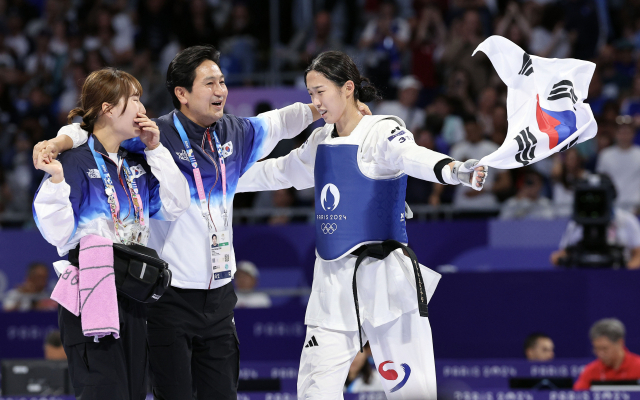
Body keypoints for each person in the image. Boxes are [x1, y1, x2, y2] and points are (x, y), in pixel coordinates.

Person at [33, 45, 370, 400]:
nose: (221, 90)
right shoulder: (150, 133)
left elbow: (281, 121)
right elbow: (93, 131)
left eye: (222, 82)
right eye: (209, 83)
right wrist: (59, 140)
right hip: (165, 296)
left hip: (219, 297)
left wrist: (332, 107)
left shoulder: (232, 132)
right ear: (182, 93)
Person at [237, 51, 487, 399]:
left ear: (348, 88)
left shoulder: (383, 130)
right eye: (310, 93)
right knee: (314, 392)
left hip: (386, 280)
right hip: (331, 284)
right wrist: (223, 178)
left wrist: (453, 170)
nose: (315, 102)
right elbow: (279, 170)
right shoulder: (320, 139)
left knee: (413, 394)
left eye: (320, 91)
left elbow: (411, 156)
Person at [33, 68, 190, 400]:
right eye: (133, 99)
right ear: (107, 108)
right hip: (92, 292)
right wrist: (58, 182)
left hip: (134, 293)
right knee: (105, 393)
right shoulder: (73, 161)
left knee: (133, 394)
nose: (142, 108)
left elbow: (176, 204)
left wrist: (156, 149)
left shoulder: (136, 163)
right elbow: (56, 234)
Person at [574, 318, 640, 390]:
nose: (600, 354)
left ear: (620, 343)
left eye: (604, 349)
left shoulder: (638, 367)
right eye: (596, 349)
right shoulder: (590, 371)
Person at [596, 122, 640, 212]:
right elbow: (601, 181)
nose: (624, 136)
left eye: (627, 133)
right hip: (612, 206)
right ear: (616, 134)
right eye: (621, 133)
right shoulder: (605, 155)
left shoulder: (638, 154)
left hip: (636, 205)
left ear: (633, 134)